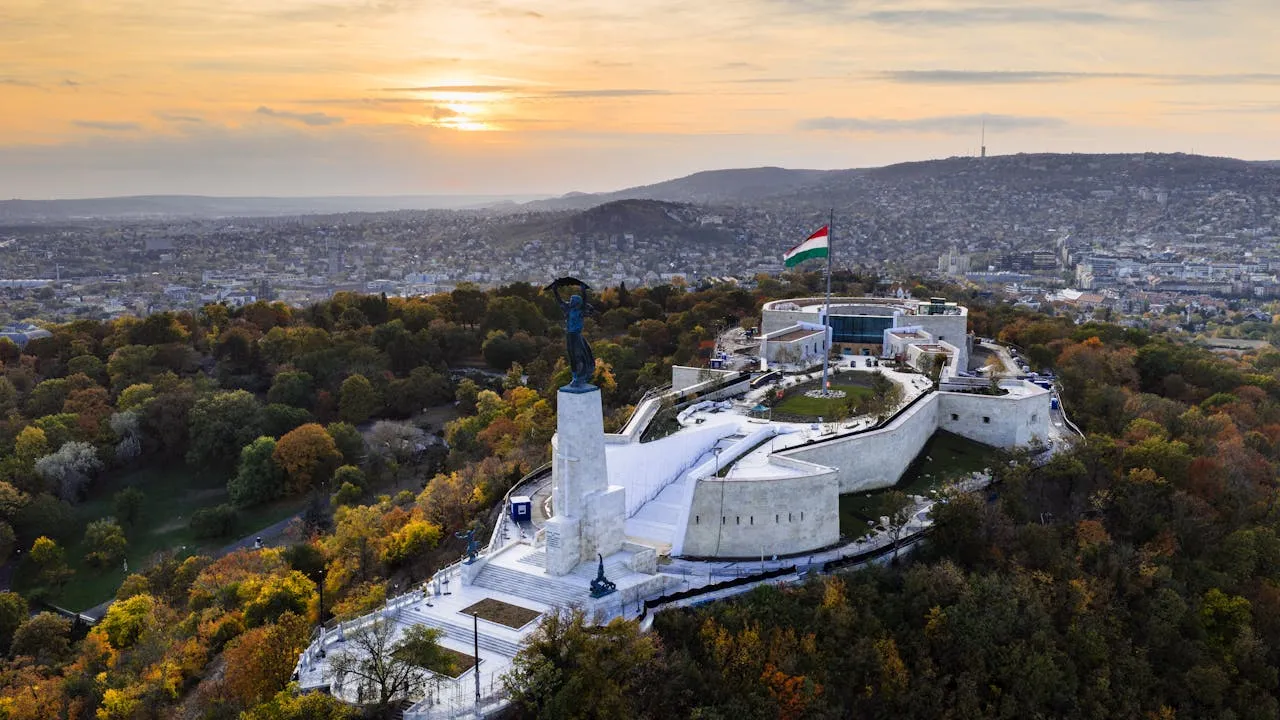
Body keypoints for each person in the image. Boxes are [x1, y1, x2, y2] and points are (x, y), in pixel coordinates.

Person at [551, 281, 596, 388]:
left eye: (572, 300)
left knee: (579, 355)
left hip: (576, 335)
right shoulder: (568, 309)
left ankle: (580, 377)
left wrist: (583, 290)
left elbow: (585, 301)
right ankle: (575, 376)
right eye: (570, 300)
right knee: (572, 357)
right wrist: (554, 290)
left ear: (576, 302)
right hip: (569, 336)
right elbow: (559, 301)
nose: (570, 301)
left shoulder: (580, 310)